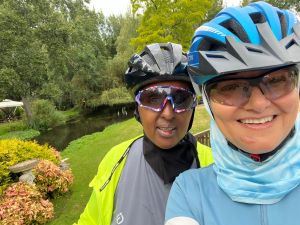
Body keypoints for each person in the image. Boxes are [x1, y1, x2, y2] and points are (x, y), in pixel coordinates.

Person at [165, 2, 300, 225]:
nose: (258, 104)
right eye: (231, 87)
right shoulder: (189, 192)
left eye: (276, 81)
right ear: (207, 103)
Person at [74, 42, 213, 225]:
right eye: (153, 98)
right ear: (137, 109)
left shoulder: (215, 165)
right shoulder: (116, 159)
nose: (168, 113)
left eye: (181, 99)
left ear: (193, 107)